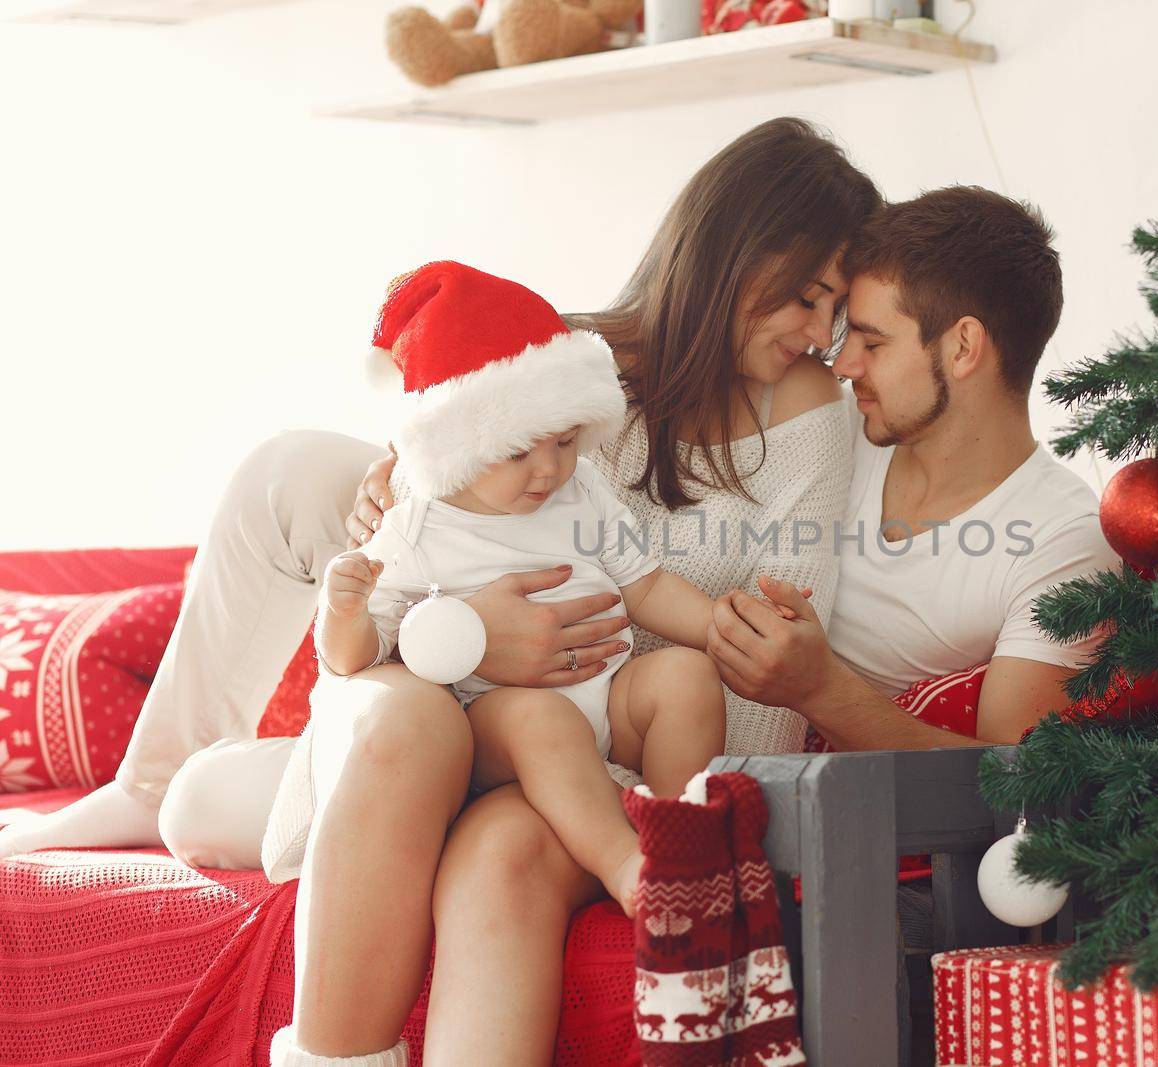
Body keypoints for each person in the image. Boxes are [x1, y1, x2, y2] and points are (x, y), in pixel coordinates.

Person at [0, 117, 876, 1066]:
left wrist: (648, 774)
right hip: (444, 693)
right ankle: (151, 779)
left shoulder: (809, 421)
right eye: (810, 297)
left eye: (840, 314)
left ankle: (186, 784)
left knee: (410, 802)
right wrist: (444, 604)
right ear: (743, 254)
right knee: (284, 492)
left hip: (586, 738)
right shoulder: (555, 369)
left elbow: (752, 663)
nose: (822, 335)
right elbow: (428, 547)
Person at [264, 260, 795, 932]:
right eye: (519, 451)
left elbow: (648, 585)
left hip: (607, 703)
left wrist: (721, 622)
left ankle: (682, 842)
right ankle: (627, 866)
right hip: (496, 724)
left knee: (686, 675)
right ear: (458, 441)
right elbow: (356, 658)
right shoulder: (417, 529)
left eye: (567, 440)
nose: (549, 468)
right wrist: (341, 610)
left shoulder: (582, 493)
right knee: (542, 722)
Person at [707, 186, 1120, 751]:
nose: (843, 364)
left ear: (963, 347)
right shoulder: (832, 426)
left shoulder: (1063, 539)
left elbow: (1021, 781)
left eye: (872, 343)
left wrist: (820, 690)